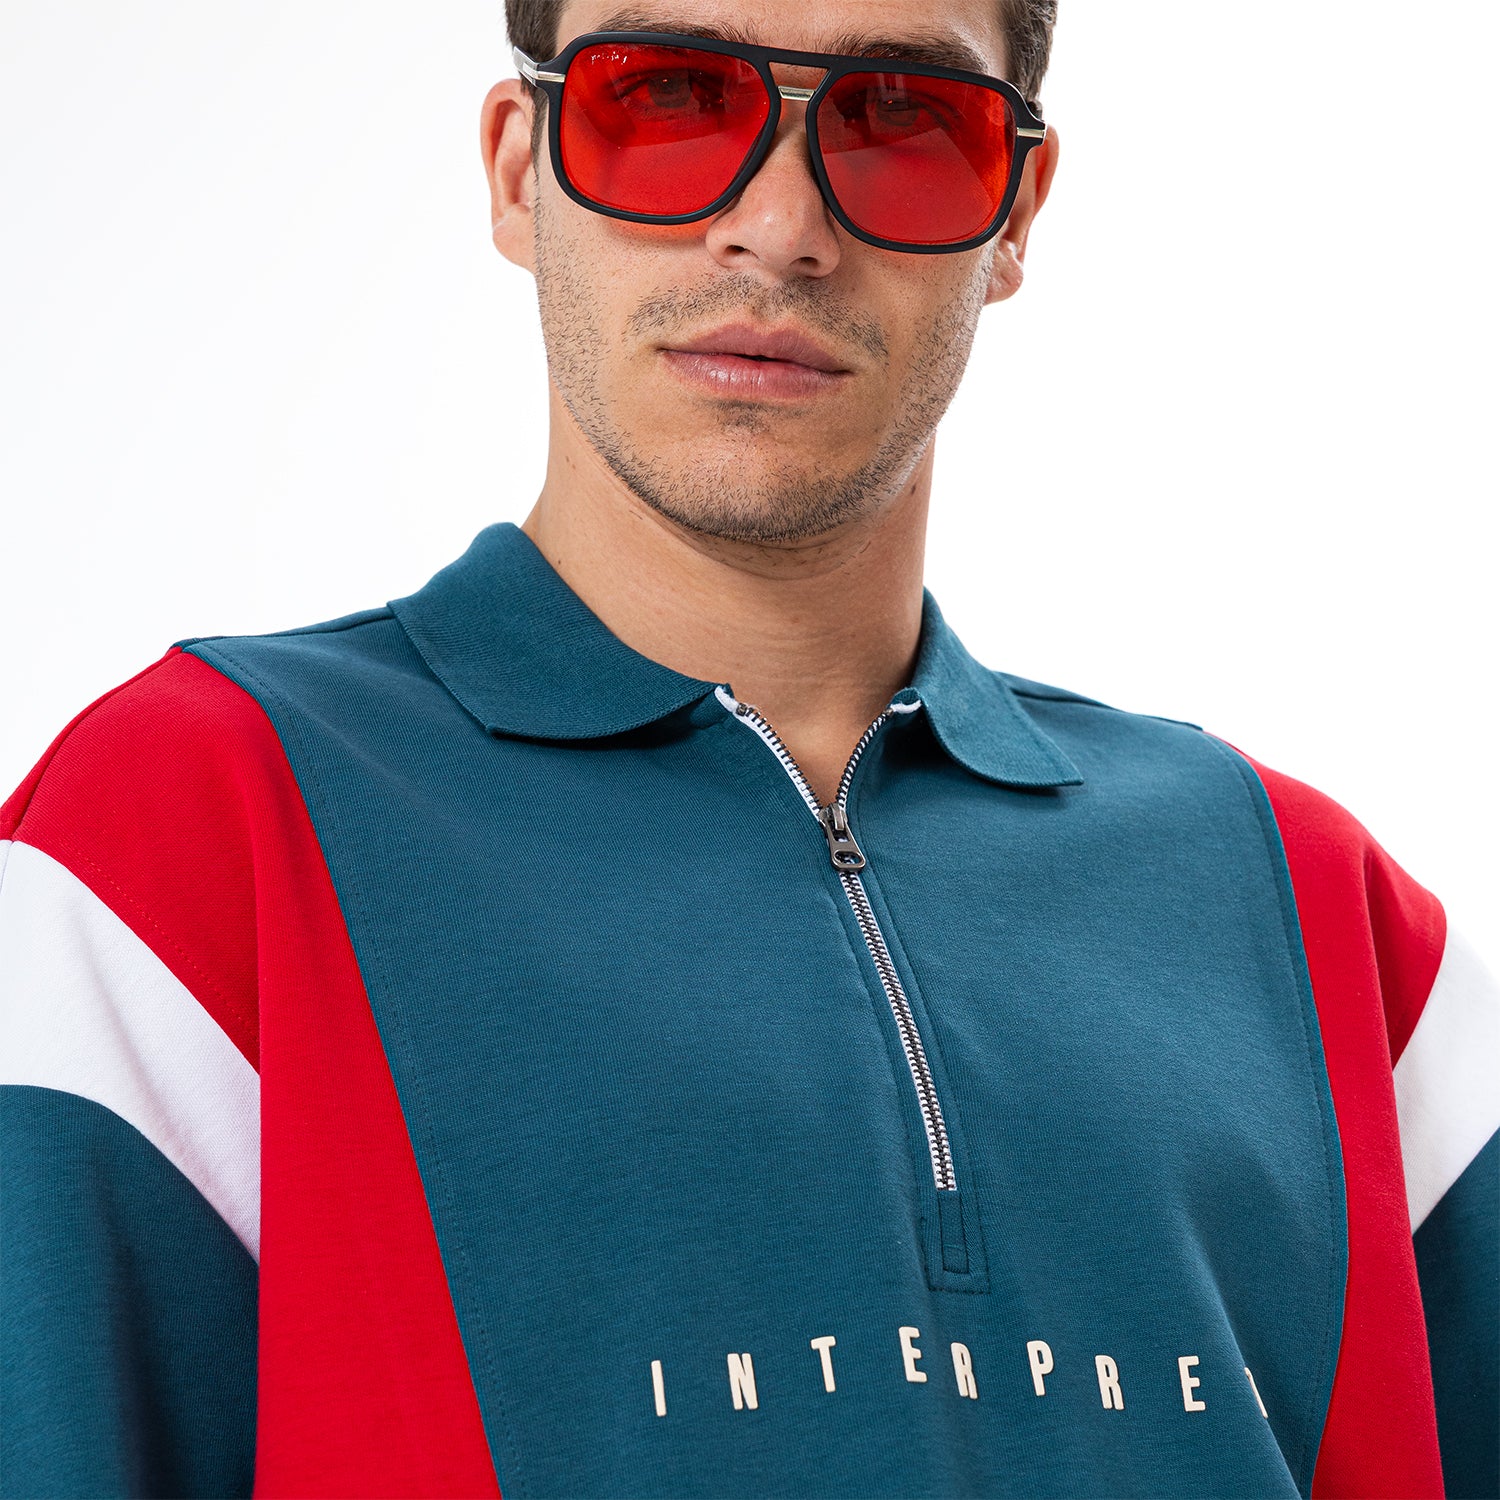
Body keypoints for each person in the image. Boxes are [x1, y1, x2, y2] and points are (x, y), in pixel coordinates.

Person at [1, 0, 1495, 1495]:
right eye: (665, 97)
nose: (779, 229)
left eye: (903, 117)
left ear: (1018, 208)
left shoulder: (1323, 920)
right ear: (519, 170)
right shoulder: (179, 842)